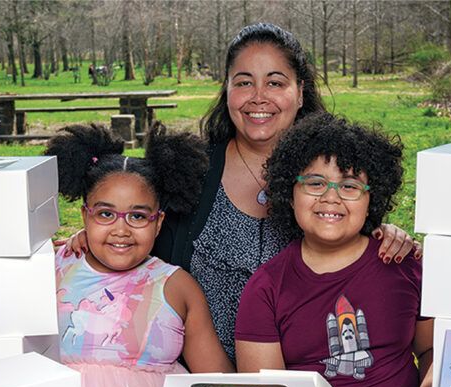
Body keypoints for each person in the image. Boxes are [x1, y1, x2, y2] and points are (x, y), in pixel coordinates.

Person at [63, 23, 418, 361]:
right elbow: (134, 222)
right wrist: (92, 235)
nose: (258, 97)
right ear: (227, 90)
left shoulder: (329, 183)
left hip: (306, 382)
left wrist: (385, 234)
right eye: (244, 82)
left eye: (276, 83)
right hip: (195, 378)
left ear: (300, 92)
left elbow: (353, 248)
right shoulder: (188, 171)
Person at [234, 113, 434, 387]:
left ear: (372, 199)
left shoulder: (404, 264)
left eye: (350, 185)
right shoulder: (266, 289)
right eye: (315, 183)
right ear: (291, 193)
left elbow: (431, 350)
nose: (331, 197)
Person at [45, 123, 233, 387]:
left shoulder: (175, 286)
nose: (121, 229)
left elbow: (218, 380)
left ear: (158, 223)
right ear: (85, 215)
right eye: (105, 214)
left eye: (138, 216)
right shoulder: (55, 267)